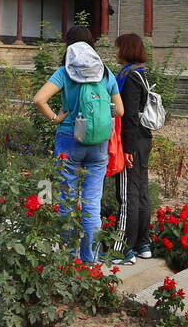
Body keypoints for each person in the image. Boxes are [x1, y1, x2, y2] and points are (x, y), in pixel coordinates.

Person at [32, 26, 123, 263]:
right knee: (92, 204)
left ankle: (67, 259)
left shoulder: (64, 72)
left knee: (67, 202)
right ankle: (90, 261)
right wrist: (101, 117)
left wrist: (56, 118)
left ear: (68, 47)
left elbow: (39, 99)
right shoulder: (106, 74)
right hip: (99, 144)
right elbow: (120, 111)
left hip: (69, 139)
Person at [111, 33, 154, 264]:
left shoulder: (129, 76)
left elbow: (128, 116)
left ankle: (123, 249)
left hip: (132, 141)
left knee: (127, 194)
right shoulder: (142, 73)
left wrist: (126, 148)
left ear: (125, 49)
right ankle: (142, 244)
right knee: (141, 192)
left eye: (117, 48)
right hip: (143, 139)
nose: (115, 52)